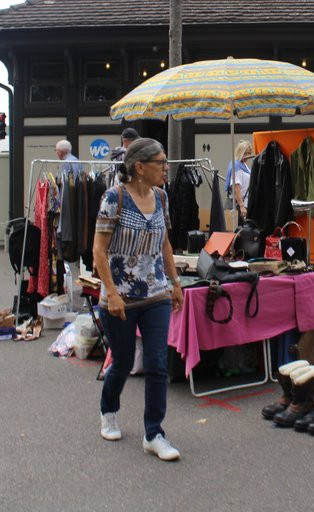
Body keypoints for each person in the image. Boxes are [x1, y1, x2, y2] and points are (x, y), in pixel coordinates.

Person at [92, 137, 184, 461]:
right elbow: (98, 251)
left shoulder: (161, 197)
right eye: (160, 162)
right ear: (140, 167)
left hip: (155, 292)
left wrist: (175, 282)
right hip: (120, 299)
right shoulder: (113, 198)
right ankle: (109, 409)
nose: (166, 168)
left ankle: (154, 432)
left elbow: (166, 244)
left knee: (158, 363)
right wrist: (113, 293)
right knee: (123, 362)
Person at [226, 140, 254, 221]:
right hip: (239, 205)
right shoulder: (236, 166)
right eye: (245, 153)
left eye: (249, 153)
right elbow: (236, 187)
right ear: (240, 152)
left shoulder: (243, 165)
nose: (247, 156)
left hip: (243, 204)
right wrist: (241, 206)